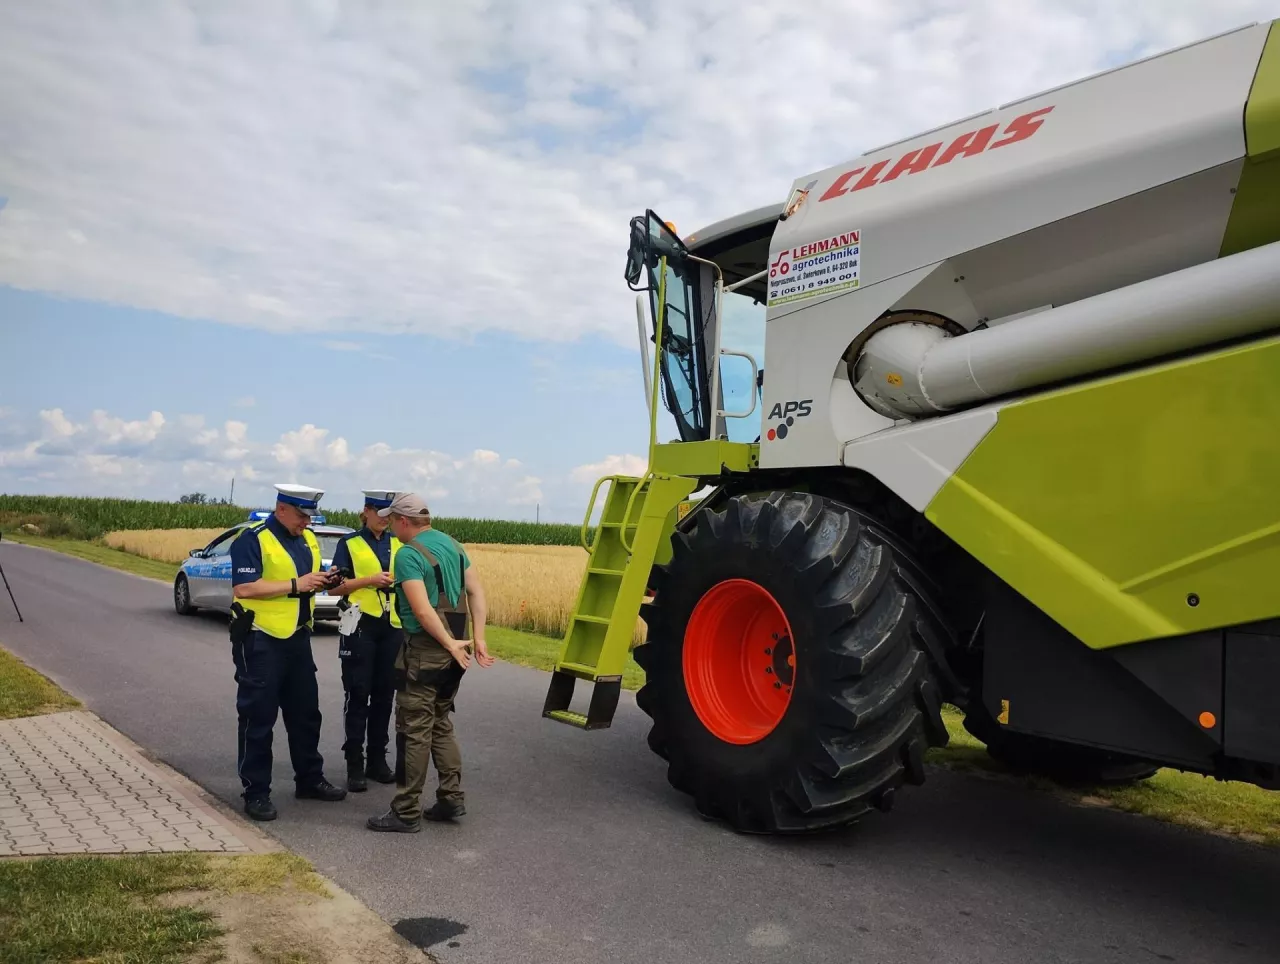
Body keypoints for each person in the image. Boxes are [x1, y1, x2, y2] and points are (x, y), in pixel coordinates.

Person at [365, 491, 493, 833]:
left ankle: (406, 810)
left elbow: (421, 610)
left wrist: (448, 643)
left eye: (392, 521)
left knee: (414, 729)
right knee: (441, 721)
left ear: (404, 521)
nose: (390, 526)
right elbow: (476, 592)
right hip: (456, 649)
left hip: (427, 648)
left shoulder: (407, 555)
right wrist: (477, 637)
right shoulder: (453, 544)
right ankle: (451, 798)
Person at [228, 483, 347, 821]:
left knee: (306, 714)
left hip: (297, 636)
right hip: (260, 637)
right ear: (281, 509)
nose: (305, 523)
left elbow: (306, 578)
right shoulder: (253, 539)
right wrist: (297, 585)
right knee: (258, 717)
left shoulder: (306, 539)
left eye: (309, 517)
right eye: (300, 515)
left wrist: (324, 580)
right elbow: (244, 587)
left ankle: (309, 779)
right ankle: (256, 791)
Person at [327, 489, 402, 792]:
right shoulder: (350, 544)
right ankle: (354, 762)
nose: (385, 521)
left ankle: (377, 759)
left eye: (389, 517)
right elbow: (334, 589)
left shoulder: (399, 543)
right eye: (380, 515)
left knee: (385, 694)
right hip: (360, 623)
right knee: (358, 692)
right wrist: (370, 580)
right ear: (367, 511)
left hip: (392, 624)